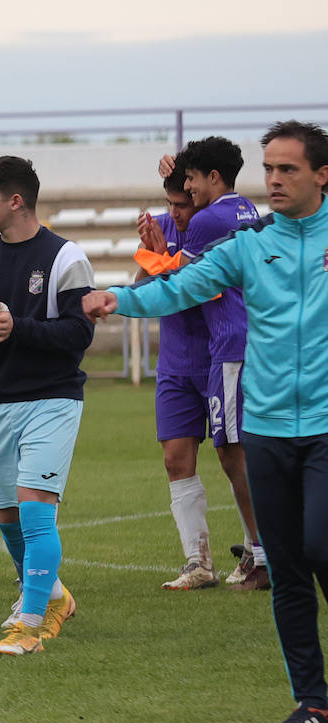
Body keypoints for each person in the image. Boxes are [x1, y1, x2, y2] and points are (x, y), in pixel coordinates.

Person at [83, 120, 328, 723]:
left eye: (289, 168)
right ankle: (314, 704)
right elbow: (183, 285)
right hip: (268, 425)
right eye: (270, 167)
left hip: (324, 426)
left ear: (322, 175)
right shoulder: (249, 246)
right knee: (290, 571)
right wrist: (120, 299)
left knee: (321, 546)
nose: (275, 178)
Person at [0, 155, 92, 656]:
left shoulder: (66, 258)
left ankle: (30, 623)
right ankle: (54, 595)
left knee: (34, 512)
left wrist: (17, 328)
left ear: (15, 201)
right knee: (6, 514)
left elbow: (79, 333)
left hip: (52, 399)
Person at [143, 137, 265, 590]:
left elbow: (188, 286)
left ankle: (265, 554)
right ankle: (225, 557)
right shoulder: (245, 209)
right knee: (231, 452)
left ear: (213, 178)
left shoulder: (208, 219)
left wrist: (158, 260)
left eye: (190, 184)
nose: (184, 197)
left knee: (235, 454)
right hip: (230, 343)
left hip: (229, 343)